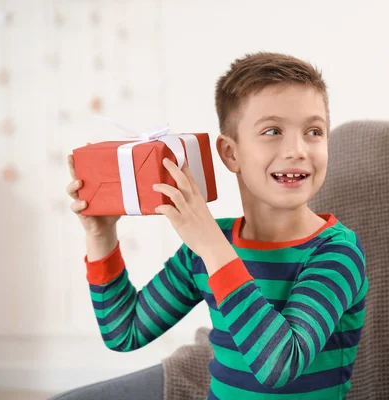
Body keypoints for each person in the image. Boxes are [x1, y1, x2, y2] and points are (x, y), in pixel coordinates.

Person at [52, 52, 369, 400]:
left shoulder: (336, 253)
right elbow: (123, 332)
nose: (297, 149)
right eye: (273, 131)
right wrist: (101, 236)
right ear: (231, 153)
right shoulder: (208, 246)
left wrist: (211, 246)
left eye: (314, 131)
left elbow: (279, 365)